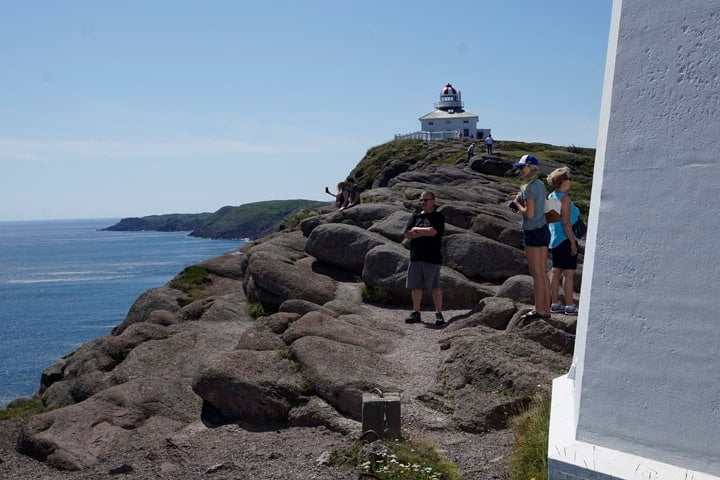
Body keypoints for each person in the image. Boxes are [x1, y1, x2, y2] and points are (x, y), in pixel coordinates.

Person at [509, 154, 551, 319]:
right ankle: (546, 310)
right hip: (543, 230)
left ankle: (539, 309)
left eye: (522, 167)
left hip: (532, 231)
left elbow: (530, 214)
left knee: (536, 273)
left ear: (531, 167)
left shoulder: (529, 187)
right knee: (542, 272)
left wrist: (518, 204)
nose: (519, 170)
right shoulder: (540, 184)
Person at [404, 191, 445, 326]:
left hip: (432, 257)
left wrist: (417, 229)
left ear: (433, 201)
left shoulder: (438, 217)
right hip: (416, 256)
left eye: (426, 200)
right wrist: (423, 232)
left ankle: (438, 313)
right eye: (421, 200)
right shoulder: (415, 216)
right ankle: (416, 312)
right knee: (415, 287)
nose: (423, 203)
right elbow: (407, 234)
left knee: (435, 287)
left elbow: (433, 232)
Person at [546, 167, 580, 315]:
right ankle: (570, 306)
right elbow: (566, 223)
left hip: (554, 240)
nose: (571, 181)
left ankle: (555, 303)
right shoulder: (564, 199)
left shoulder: (551, 196)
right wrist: (572, 242)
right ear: (564, 181)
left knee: (555, 272)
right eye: (569, 179)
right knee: (568, 274)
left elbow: (551, 220)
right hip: (565, 239)